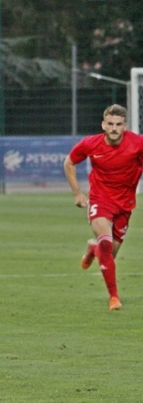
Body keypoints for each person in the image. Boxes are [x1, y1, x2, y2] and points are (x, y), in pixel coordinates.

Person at [63, 104, 143, 311]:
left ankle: (93, 249)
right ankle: (114, 297)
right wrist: (77, 193)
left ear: (125, 125)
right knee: (106, 245)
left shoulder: (138, 144)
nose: (114, 128)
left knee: (108, 254)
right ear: (103, 124)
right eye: (110, 124)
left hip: (125, 203)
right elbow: (69, 163)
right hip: (100, 199)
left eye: (118, 124)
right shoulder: (91, 144)